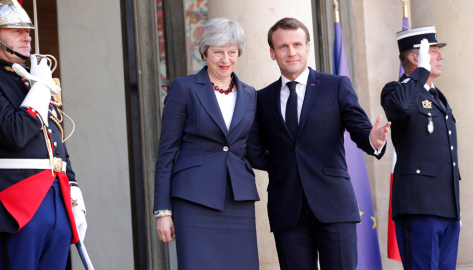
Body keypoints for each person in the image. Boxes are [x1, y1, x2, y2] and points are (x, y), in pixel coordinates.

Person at [247, 17, 390, 270]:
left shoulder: (335, 86)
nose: (291, 52)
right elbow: (255, 150)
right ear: (272, 53)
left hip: (334, 205)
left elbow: (359, 128)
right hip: (287, 209)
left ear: (308, 48)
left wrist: (373, 139)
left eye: (297, 44)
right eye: (283, 47)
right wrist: (283, 166)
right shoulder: (261, 98)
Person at [154, 18, 260, 269]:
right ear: (204, 53)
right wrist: (163, 211)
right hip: (193, 200)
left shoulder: (250, 94)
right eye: (218, 52)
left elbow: (251, 149)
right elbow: (167, 152)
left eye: (232, 52)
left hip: (238, 200)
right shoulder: (184, 88)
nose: (225, 59)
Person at [0, 1, 87, 269]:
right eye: (15, 29)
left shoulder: (29, 78)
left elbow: (55, 139)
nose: (27, 36)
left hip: (55, 196)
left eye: (28, 30)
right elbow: (15, 133)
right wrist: (40, 89)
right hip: (14, 201)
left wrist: (74, 188)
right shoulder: (18, 80)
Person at [381, 26, 460, 269]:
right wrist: (421, 72)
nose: (441, 57)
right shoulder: (395, 90)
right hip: (419, 206)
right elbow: (400, 107)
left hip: (446, 207)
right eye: (434, 52)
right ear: (416, 58)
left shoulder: (438, 96)